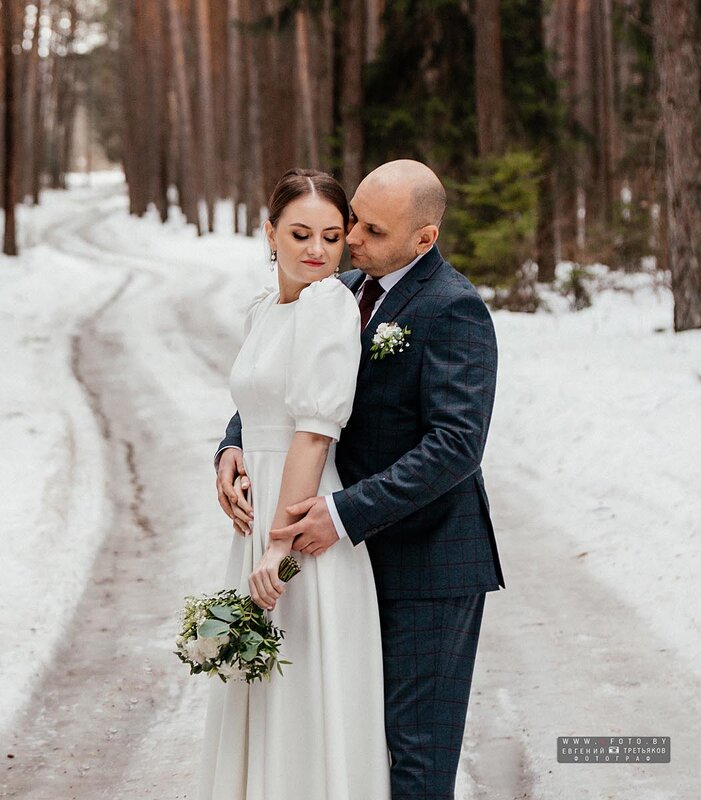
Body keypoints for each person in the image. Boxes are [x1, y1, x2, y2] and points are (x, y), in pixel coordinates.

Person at [214, 159, 506, 799]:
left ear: (423, 240)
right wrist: (233, 443)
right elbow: (288, 385)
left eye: (371, 230)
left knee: (415, 752)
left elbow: (457, 445)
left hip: (427, 561)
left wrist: (344, 512)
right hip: (349, 565)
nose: (351, 241)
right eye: (354, 223)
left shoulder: (452, 308)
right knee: (352, 742)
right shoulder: (342, 289)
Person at [197, 168, 392, 800]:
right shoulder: (266, 307)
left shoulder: (329, 304)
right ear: (269, 232)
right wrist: (231, 453)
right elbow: (258, 407)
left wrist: (281, 547)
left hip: (300, 519)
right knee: (259, 683)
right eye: (301, 233)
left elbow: (312, 431)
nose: (316, 251)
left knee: (305, 683)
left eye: (332, 237)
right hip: (259, 520)